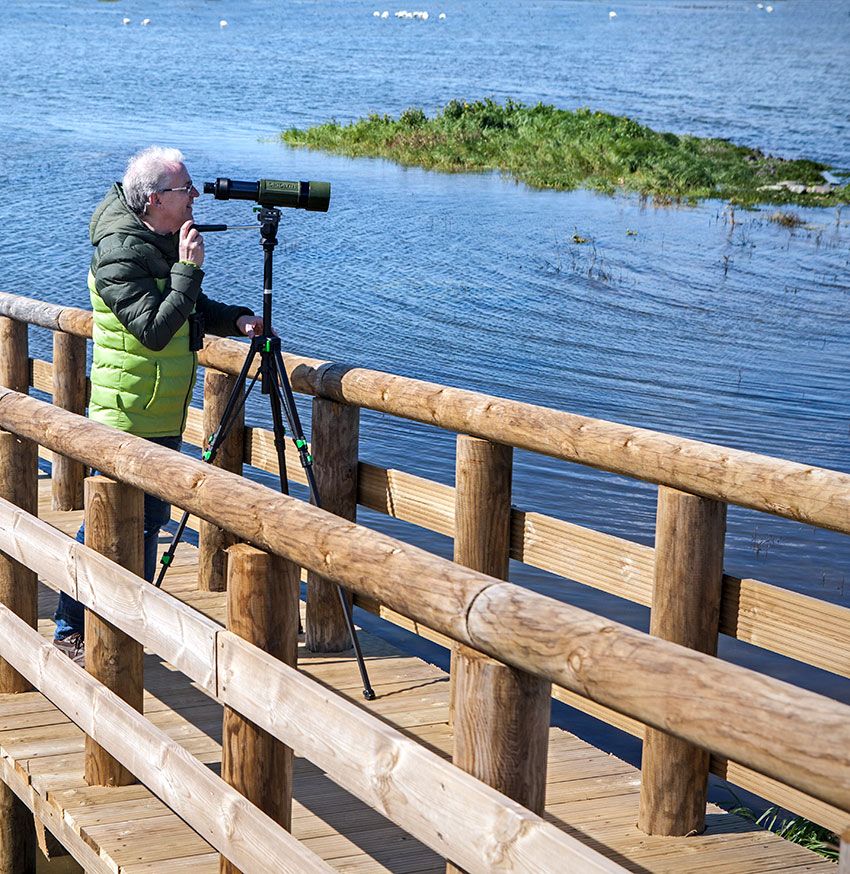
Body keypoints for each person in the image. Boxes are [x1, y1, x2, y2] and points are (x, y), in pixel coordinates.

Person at [53, 146, 263, 665]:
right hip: (127, 409)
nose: (195, 195)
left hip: (160, 405)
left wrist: (235, 319)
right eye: (184, 189)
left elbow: (182, 305)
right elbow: (152, 328)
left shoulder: (158, 236)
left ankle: (124, 619)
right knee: (116, 518)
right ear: (153, 200)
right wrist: (190, 270)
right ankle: (74, 626)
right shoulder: (122, 251)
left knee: (145, 518)